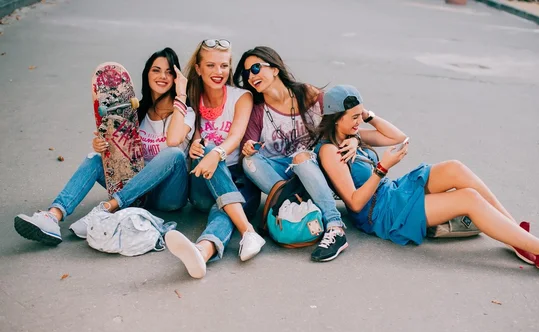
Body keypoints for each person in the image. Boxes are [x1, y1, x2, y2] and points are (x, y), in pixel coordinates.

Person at [313, 84, 539, 274]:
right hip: (382, 212)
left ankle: (519, 237)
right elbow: (355, 203)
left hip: (392, 191)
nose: (358, 121)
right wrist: (383, 167)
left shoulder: (353, 136)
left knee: (455, 168)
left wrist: (367, 119)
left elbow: (398, 137)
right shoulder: (329, 151)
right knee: (468, 199)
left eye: (360, 115)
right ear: (335, 118)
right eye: (352, 117)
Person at [14, 47, 195, 246]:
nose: (163, 76)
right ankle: (53, 216)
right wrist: (103, 146)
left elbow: (173, 140)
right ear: (147, 74)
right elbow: (122, 154)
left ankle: (107, 209)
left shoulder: (186, 112)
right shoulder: (135, 111)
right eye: (156, 70)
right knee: (95, 158)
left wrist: (181, 95)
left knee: (173, 154)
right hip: (136, 191)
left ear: (177, 78)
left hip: (168, 196)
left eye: (169, 72)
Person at [233, 46, 360, 262]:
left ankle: (335, 226)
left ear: (274, 69)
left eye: (255, 68)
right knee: (249, 162)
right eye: (246, 73)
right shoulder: (258, 110)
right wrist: (249, 148)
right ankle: (293, 200)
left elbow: (346, 119)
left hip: (313, 169)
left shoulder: (307, 94)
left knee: (300, 158)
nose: (251, 76)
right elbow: (249, 145)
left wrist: (354, 139)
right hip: (282, 175)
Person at [165, 39, 265, 279]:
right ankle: (248, 231)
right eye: (210, 65)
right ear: (198, 69)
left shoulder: (242, 97)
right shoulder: (192, 99)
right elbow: (176, 138)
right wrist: (196, 149)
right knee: (207, 148)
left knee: (226, 208)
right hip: (201, 183)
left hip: (238, 180)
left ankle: (202, 250)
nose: (218, 72)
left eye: (224, 65)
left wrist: (216, 153)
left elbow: (236, 136)